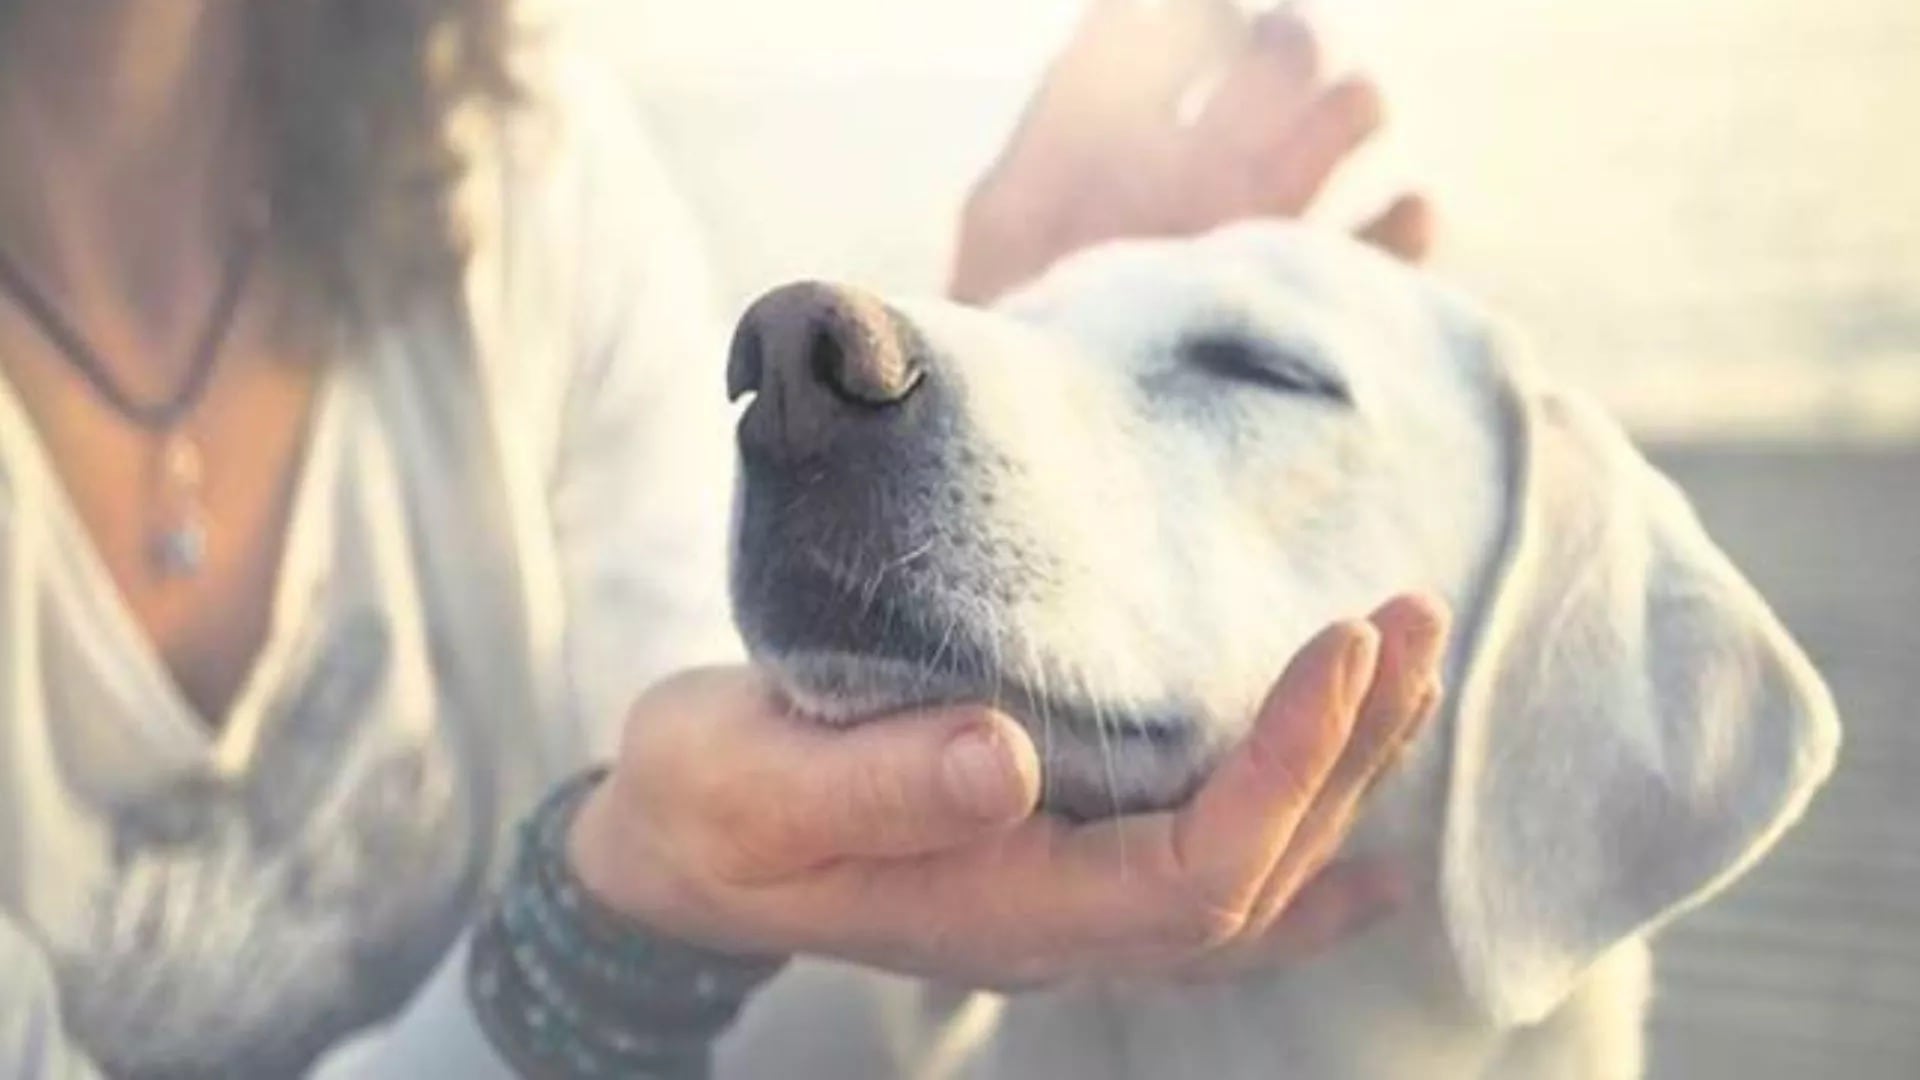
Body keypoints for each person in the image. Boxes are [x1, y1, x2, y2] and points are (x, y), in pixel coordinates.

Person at [0, 0, 1448, 1076]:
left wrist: (1001, 437)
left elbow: (773, 968)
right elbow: (682, 874)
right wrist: (612, 916)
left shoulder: (512, 172)